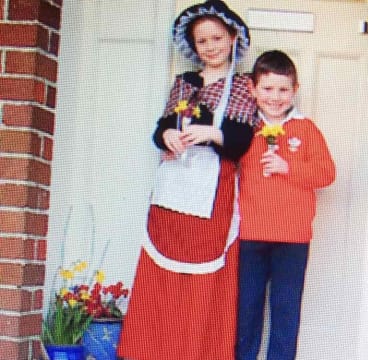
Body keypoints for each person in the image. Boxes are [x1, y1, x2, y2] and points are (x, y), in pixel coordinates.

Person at [117, 1, 256, 359]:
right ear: (192, 46)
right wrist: (167, 138)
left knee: (204, 274)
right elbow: (162, 127)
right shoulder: (184, 83)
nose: (210, 46)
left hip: (213, 193)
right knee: (163, 267)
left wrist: (211, 132)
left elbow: (240, 142)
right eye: (202, 41)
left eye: (216, 38)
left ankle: (197, 350)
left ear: (233, 38)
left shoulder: (242, 86)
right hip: (174, 189)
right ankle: (152, 350)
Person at [236, 50, 336, 360]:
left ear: (295, 89)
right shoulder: (244, 130)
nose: (275, 97)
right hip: (250, 235)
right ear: (253, 89)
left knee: (285, 312)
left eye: (283, 89)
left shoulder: (305, 129)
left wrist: (288, 167)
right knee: (246, 310)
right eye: (267, 89)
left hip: (292, 239)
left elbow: (326, 173)